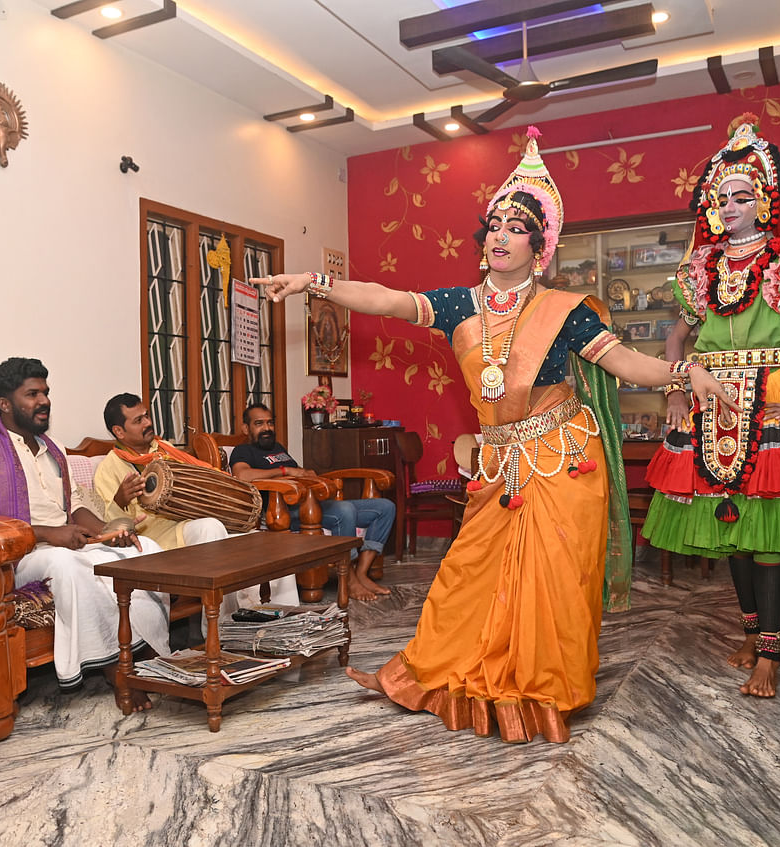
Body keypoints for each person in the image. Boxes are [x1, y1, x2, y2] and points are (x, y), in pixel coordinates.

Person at [254, 126, 738, 744]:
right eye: (495, 228)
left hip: (563, 458)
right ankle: (439, 669)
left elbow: (624, 364)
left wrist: (683, 371)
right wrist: (313, 283)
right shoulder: (459, 305)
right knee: (468, 570)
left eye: (517, 229)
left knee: (555, 579)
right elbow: (384, 297)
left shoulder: (568, 311)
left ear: (541, 246)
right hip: (500, 464)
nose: (502, 237)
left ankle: (544, 691)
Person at [644, 118, 780, 698]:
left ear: (766, 199)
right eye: (722, 197)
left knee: (767, 533)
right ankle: (750, 634)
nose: (730, 206)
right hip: (712, 406)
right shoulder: (705, 270)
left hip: (770, 401)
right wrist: (673, 389)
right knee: (734, 533)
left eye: (743, 195)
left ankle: (770, 651)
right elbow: (675, 340)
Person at [0, 358, 167, 704]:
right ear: (5, 404)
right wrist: (50, 534)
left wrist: (109, 532)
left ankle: (153, 653)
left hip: (64, 545)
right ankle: (115, 667)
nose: (44, 401)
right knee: (68, 566)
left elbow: (75, 506)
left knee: (146, 550)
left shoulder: (55, 451)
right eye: (32, 394)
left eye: (46, 393)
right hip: (17, 560)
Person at [93, 392, 298, 611]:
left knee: (269, 543)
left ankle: (291, 620)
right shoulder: (109, 468)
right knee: (210, 527)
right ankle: (222, 625)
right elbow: (107, 527)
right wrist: (120, 500)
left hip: (193, 521)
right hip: (160, 537)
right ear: (119, 431)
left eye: (146, 416)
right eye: (138, 420)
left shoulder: (165, 450)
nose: (148, 422)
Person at [229, 403, 396, 603]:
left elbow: (300, 472)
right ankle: (349, 579)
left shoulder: (278, 448)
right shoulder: (244, 451)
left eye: (270, 423)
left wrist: (308, 474)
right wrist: (286, 471)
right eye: (259, 423)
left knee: (385, 507)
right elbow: (242, 475)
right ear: (246, 428)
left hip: (311, 504)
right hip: (284, 513)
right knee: (344, 509)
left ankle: (361, 573)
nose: (267, 428)